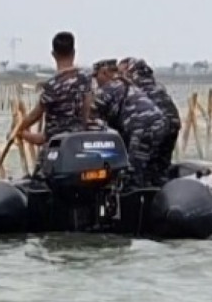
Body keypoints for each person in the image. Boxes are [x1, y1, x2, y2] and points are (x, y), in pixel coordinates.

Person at [91, 58, 167, 187]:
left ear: (104, 73)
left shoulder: (108, 88)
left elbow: (90, 115)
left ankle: (135, 202)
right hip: (160, 124)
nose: (95, 80)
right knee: (151, 171)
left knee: (132, 175)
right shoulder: (127, 84)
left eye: (96, 76)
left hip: (141, 128)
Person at [16, 31, 92, 148]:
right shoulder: (85, 78)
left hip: (56, 146)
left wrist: (20, 128)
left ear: (53, 54)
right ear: (74, 52)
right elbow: (87, 108)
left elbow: (35, 115)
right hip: (79, 143)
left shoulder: (52, 85)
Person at [121, 57, 182, 181]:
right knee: (161, 166)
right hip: (173, 124)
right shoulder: (157, 85)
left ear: (129, 71)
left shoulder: (133, 87)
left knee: (137, 168)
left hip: (152, 127)